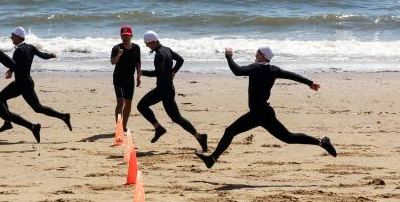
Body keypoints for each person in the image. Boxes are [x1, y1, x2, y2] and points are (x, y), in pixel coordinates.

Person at [195, 46, 337, 169]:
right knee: (288, 137)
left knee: (230, 131)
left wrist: (228, 56)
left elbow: (237, 71)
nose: (255, 55)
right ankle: (321, 142)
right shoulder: (273, 70)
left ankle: (212, 159)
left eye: (257, 53)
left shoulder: (255, 68)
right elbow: (291, 76)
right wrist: (309, 83)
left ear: (262, 55)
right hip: (263, 113)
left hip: (259, 114)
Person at [137, 31, 208, 151]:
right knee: (176, 118)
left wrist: (142, 72)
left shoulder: (159, 54)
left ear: (154, 42)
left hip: (163, 90)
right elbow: (180, 60)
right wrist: (173, 71)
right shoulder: (167, 50)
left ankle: (159, 128)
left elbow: (158, 73)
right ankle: (198, 136)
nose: (146, 46)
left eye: (147, 43)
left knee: (142, 106)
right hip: (168, 89)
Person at [0, 27, 72, 133]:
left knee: (1, 98)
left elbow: (14, 64)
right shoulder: (30, 47)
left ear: (18, 37)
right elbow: (43, 55)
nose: (11, 37)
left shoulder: (18, 51)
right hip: (27, 82)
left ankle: (7, 122)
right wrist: (52, 55)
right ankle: (63, 116)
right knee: (38, 108)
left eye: (12, 35)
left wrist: (10, 71)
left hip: (21, 83)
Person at [110, 26, 141, 132]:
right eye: (123, 35)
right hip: (118, 78)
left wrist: (138, 75)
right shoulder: (116, 48)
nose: (125, 38)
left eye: (127, 35)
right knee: (120, 103)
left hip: (129, 79)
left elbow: (138, 62)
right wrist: (118, 55)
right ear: (121, 36)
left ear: (131, 36)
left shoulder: (136, 47)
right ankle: (119, 126)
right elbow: (113, 62)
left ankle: (124, 126)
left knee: (128, 103)